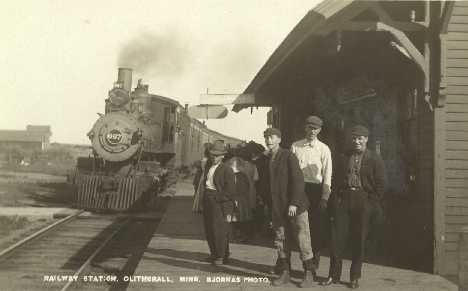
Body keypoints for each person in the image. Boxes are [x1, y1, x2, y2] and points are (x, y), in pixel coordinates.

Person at [322, 125, 386, 289]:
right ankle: (333, 275)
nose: (357, 141)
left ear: (366, 139)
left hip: (363, 200)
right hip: (344, 200)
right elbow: (335, 180)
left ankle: (354, 277)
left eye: (360, 138)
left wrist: (371, 203)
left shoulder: (374, 158)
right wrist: (336, 200)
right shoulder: (343, 156)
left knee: (359, 239)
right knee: (337, 239)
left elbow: (381, 184)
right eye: (354, 138)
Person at [263, 127, 315, 288]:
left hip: (296, 206)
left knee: (302, 239)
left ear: (279, 139)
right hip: (278, 207)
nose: (268, 140)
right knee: (280, 239)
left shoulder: (288, 156)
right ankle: (285, 272)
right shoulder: (267, 159)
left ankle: (308, 273)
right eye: (266, 137)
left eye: (272, 137)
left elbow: (298, 181)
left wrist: (293, 203)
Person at [291, 115, 332, 275]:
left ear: (319, 130)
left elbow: (327, 175)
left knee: (315, 228)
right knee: (301, 227)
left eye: (315, 128)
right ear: (305, 128)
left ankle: (313, 264)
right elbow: (292, 172)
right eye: (309, 127)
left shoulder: (324, 149)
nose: (312, 131)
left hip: (316, 191)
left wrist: (324, 197)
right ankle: (305, 264)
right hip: (300, 190)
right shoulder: (296, 146)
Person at [200, 140, 236, 266]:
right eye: (212, 155)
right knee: (209, 229)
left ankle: (221, 256)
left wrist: (217, 198)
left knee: (219, 230)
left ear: (222, 156)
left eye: (216, 155)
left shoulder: (227, 170)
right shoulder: (209, 166)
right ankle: (214, 254)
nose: (213, 157)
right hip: (208, 199)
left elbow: (230, 191)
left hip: (219, 202)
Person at [227, 156, 252, 242]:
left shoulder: (235, 176)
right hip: (243, 199)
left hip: (237, 199)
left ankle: (238, 236)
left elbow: (236, 189)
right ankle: (239, 235)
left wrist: (235, 199)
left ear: (234, 165)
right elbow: (247, 187)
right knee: (240, 218)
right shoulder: (243, 175)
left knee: (237, 219)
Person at [192, 143, 212, 213]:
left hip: (205, 175)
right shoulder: (205, 160)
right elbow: (204, 169)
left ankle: (202, 207)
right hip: (205, 175)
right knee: (203, 192)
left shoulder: (205, 160)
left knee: (202, 192)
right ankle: (202, 207)